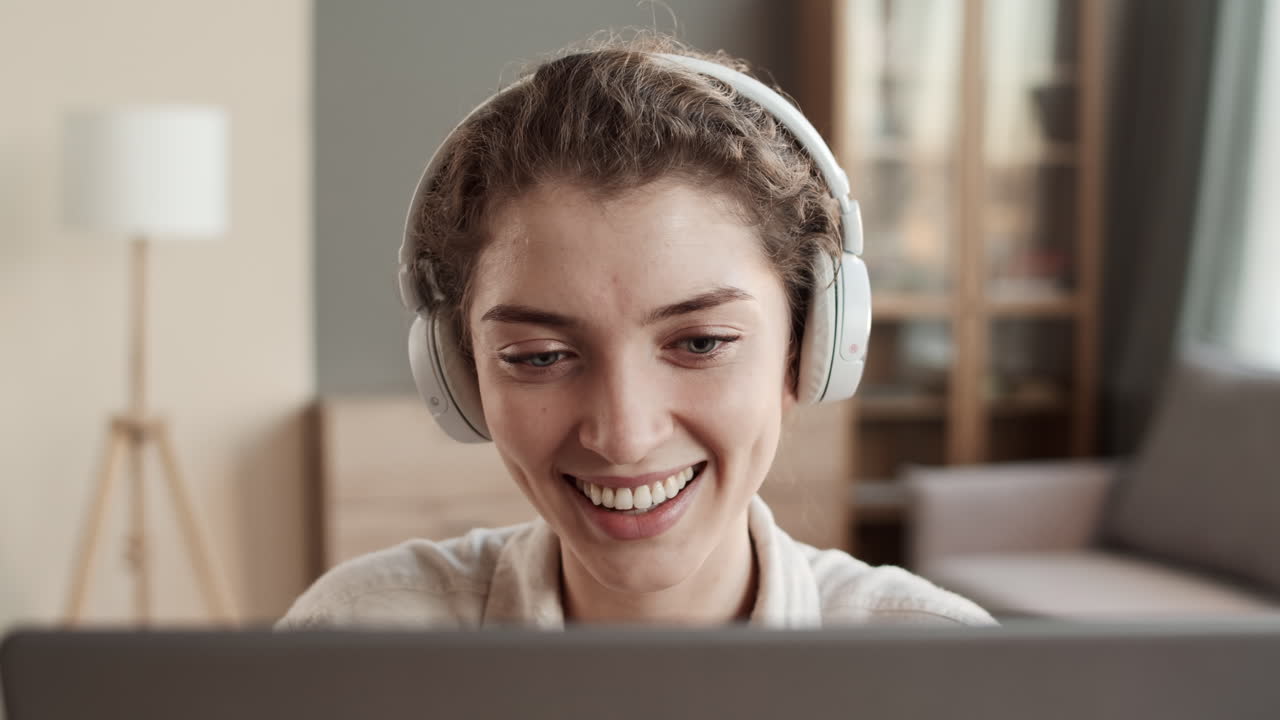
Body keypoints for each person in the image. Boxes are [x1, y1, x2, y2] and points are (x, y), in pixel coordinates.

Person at [279, 35, 994, 629]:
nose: (624, 437)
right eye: (540, 356)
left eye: (701, 343)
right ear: (461, 378)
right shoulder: (355, 637)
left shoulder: (948, 669)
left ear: (807, 349)